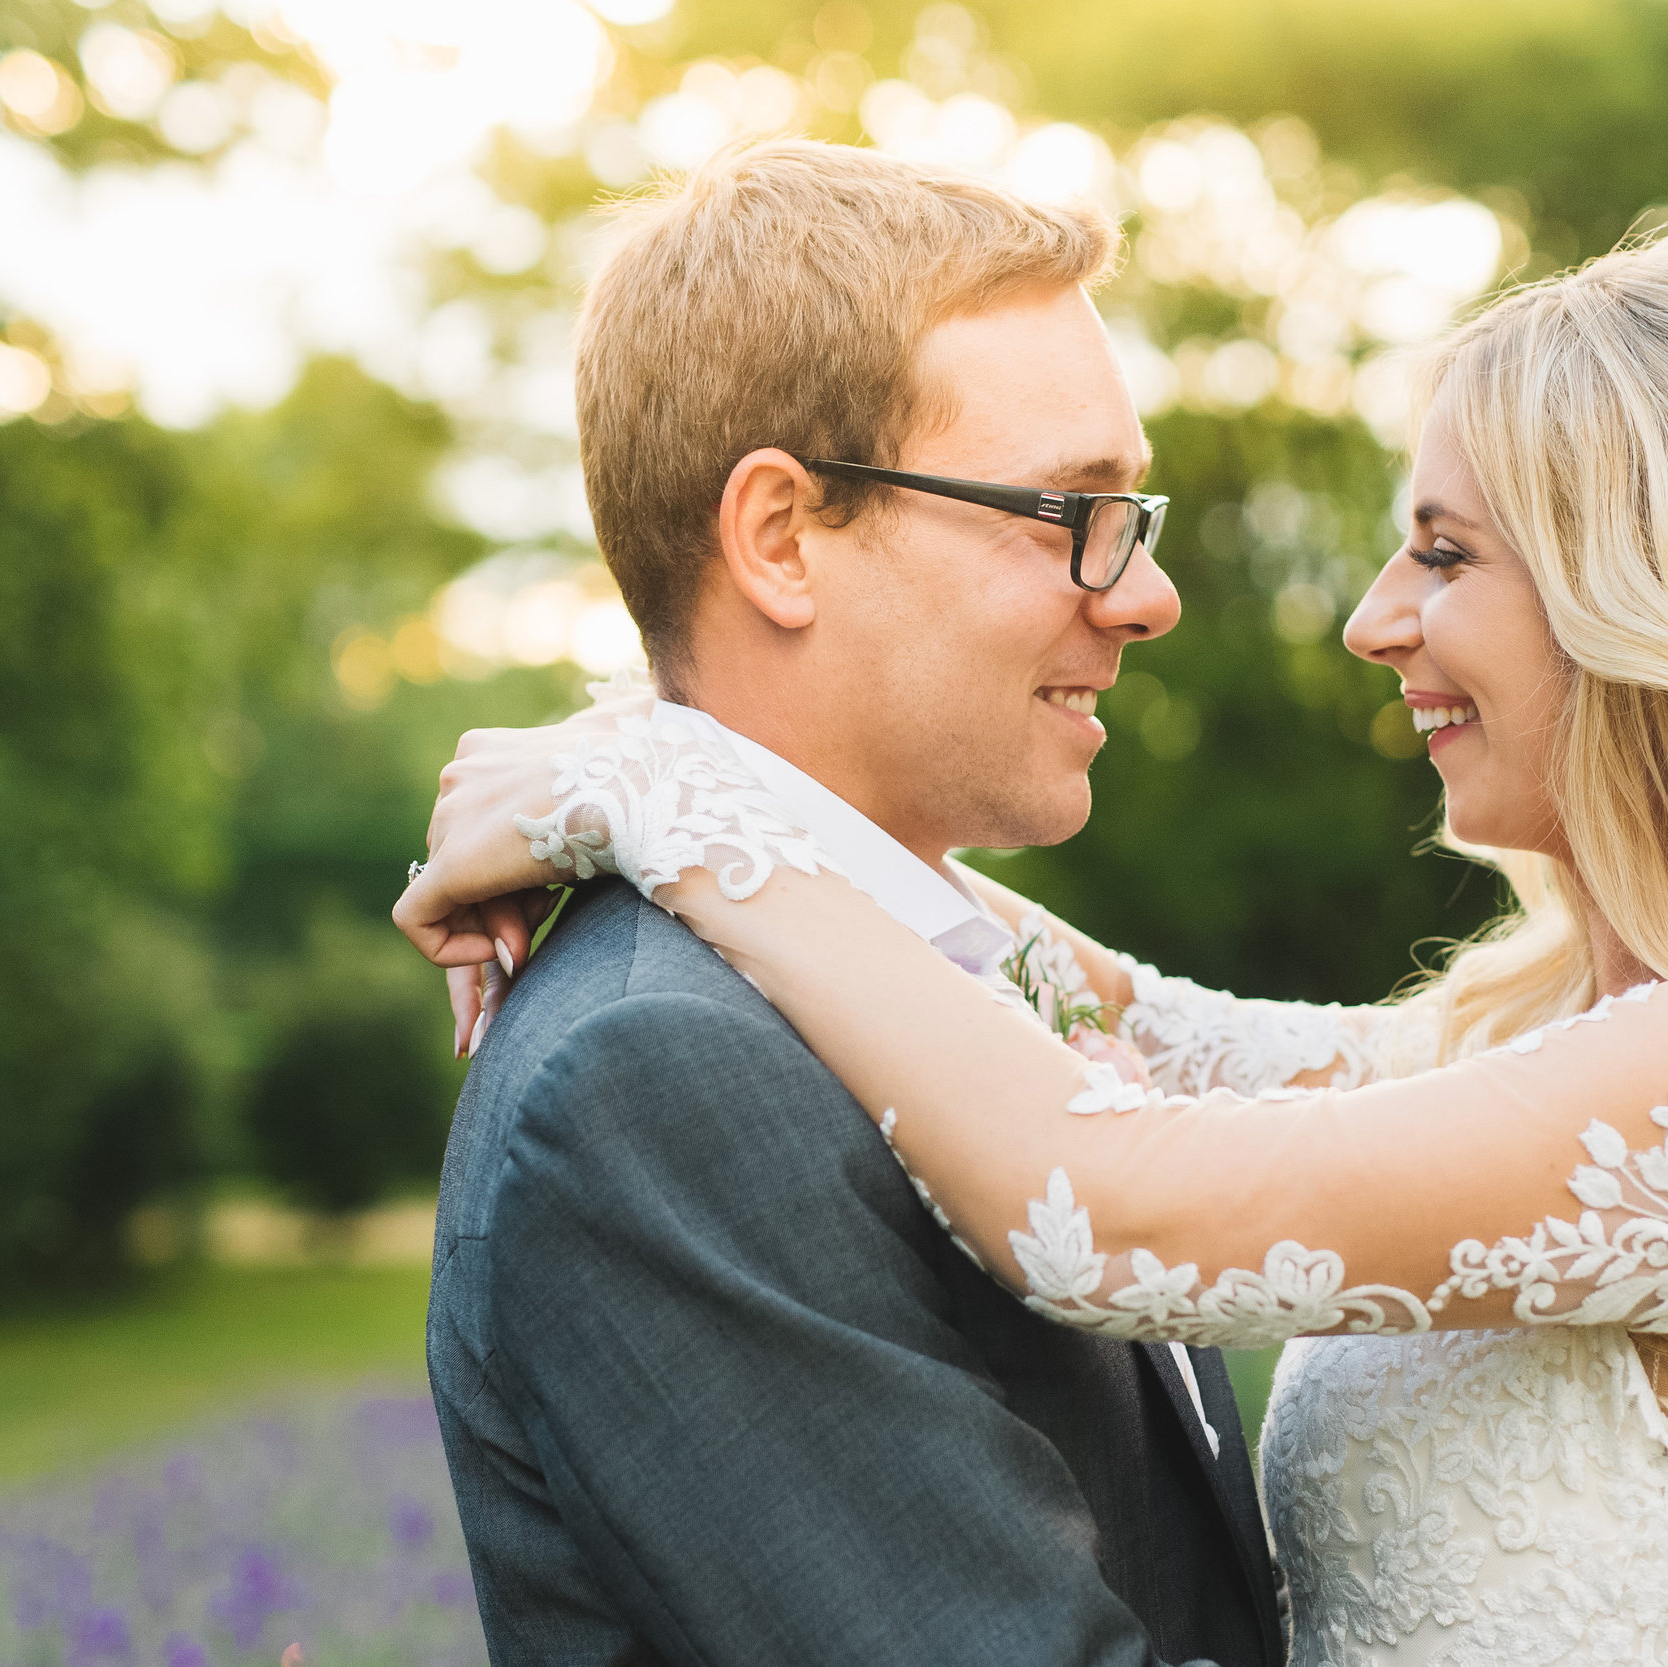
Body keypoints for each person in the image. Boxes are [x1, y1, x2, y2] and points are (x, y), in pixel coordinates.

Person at [403, 214, 1668, 1667]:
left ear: (1659, 593)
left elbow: (1110, 1195)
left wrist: (665, 799)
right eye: (1075, 512)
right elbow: (1111, 1017)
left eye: (1445, 552)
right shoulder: (1567, 1030)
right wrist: (644, 760)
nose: (1372, 618)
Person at [416, 139, 1280, 1666]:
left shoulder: (929, 960)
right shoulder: (657, 1075)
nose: (1147, 595)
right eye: (1071, 509)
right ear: (783, 539)